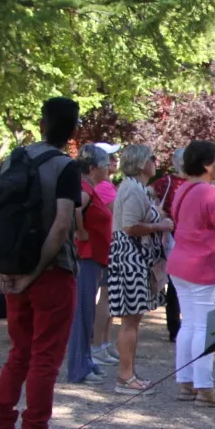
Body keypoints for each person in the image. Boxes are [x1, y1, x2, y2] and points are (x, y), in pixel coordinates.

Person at [0, 97, 83, 429]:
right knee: (45, 356)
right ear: (73, 131)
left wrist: (8, 271)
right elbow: (62, 225)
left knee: (19, 352)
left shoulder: (13, 159)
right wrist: (35, 273)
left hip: (12, 268)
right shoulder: (65, 167)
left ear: (42, 124)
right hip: (51, 271)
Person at [167, 141, 215, 407]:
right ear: (207, 164)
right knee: (205, 327)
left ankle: (186, 382)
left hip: (181, 264)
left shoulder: (183, 190)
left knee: (189, 324)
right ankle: (204, 386)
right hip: (203, 266)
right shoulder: (210, 193)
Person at [108, 144, 174, 395]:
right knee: (130, 321)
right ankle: (125, 377)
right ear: (140, 162)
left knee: (133, 320)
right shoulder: (132, 190)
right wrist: (162, 225)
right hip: (130, 259)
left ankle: (129, 374)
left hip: (135, 258)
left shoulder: (136, 189)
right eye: (152, 158)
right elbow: (130, 227)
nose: (155, 161)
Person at [64, 144, 113, 385]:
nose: (109, 170)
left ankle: (85, 360)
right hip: (86, 257)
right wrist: (81, 231)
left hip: (93, 257)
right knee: (82, 313)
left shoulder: (88, 187)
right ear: (93, 168)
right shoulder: (84, 188)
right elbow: (75, 209)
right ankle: (78, 367)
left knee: (87, 311)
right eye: (105, 166)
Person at [89, 143, 121, 366]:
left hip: (108, 246)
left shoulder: (107, 184)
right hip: (103, 248)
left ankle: (104, 342)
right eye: (110, 158)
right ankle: (97, 344)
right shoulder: (103, 187)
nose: (115, 161)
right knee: (106, 298)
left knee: (109, 297)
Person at [150, 148, 186, 343]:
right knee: (175, 282)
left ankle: (178, 326)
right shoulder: (168, 182)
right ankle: (175, 326)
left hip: (182, 237)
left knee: (179, 282)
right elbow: (149, 200)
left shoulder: (183, 182)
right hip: (172, 236)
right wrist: (161, 216)